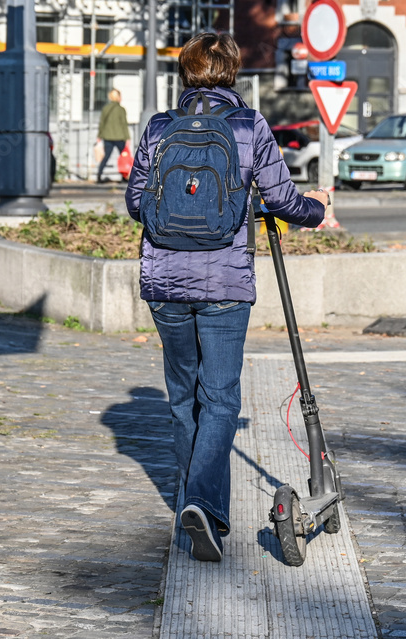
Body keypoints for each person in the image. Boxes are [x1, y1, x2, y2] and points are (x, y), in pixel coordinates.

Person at [125, 33, 330, 562]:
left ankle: (193, 506)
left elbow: (135, 204)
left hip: (164, 284)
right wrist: (317, 209)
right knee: (220, 398)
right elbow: (282, 200)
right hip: (225, 284)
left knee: (182, 397)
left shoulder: (159, 127)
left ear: (185, 73)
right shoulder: (249, 126)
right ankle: (204, 507)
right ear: (232, 72)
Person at [97, 89, 131, 182]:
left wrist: (99, 136)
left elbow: (102, 123)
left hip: (107, 136)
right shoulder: (121, 109)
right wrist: (127, 137)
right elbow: (124, 124)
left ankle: (99, 175)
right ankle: (124, 177)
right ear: (118, 97)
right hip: (120, 137)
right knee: (123, 157)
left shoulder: (105, 108)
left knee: (106, 156)